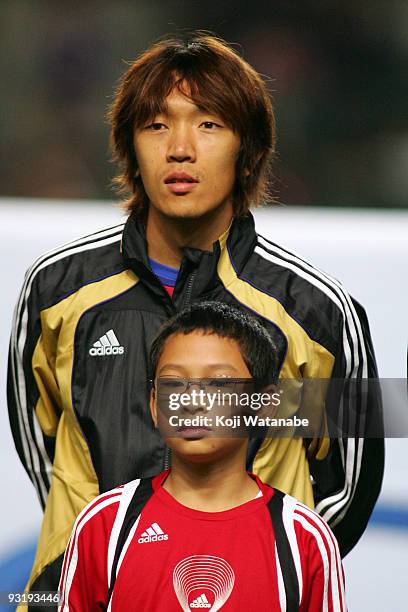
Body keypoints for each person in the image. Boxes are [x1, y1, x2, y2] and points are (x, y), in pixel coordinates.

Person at [7, 32, 382, 599]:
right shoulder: (57, 291)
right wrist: (101, 565)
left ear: (248, 147)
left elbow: (348, 487)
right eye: (157, 124)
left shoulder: (316, 311)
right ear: (129, 144)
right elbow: (43, 447)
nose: (180, 147)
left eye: (209, 124)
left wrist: (257, 570)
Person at [58, 302, 347, 611]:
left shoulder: (304, 537)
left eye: (219, 382)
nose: (192, 401)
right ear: (154, 404)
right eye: (173, 383)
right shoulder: (105, 523)